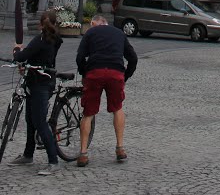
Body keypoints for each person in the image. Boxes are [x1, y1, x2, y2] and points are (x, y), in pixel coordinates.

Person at [75, 13, 138, 167]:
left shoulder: (90, 33)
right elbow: (133, 58)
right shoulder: (119, 33)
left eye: (92, 25)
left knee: (88, 113)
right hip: (115, 73)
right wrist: (126, 76)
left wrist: (84, 73)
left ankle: (83, 153)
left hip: (95, 72)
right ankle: (120, 148)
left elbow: (80, 57)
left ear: (98, 22)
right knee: (117, 109)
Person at [10, 9, 63, 175]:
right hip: (40, 81)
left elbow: (21, 56)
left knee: (39, 122)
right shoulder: (55, 39)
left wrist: (16, 50)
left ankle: (53, 161)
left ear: (41, 24)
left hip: (40, 84)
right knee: (30, 120)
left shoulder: (40, 40)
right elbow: (37, 58)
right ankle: (28, 154)